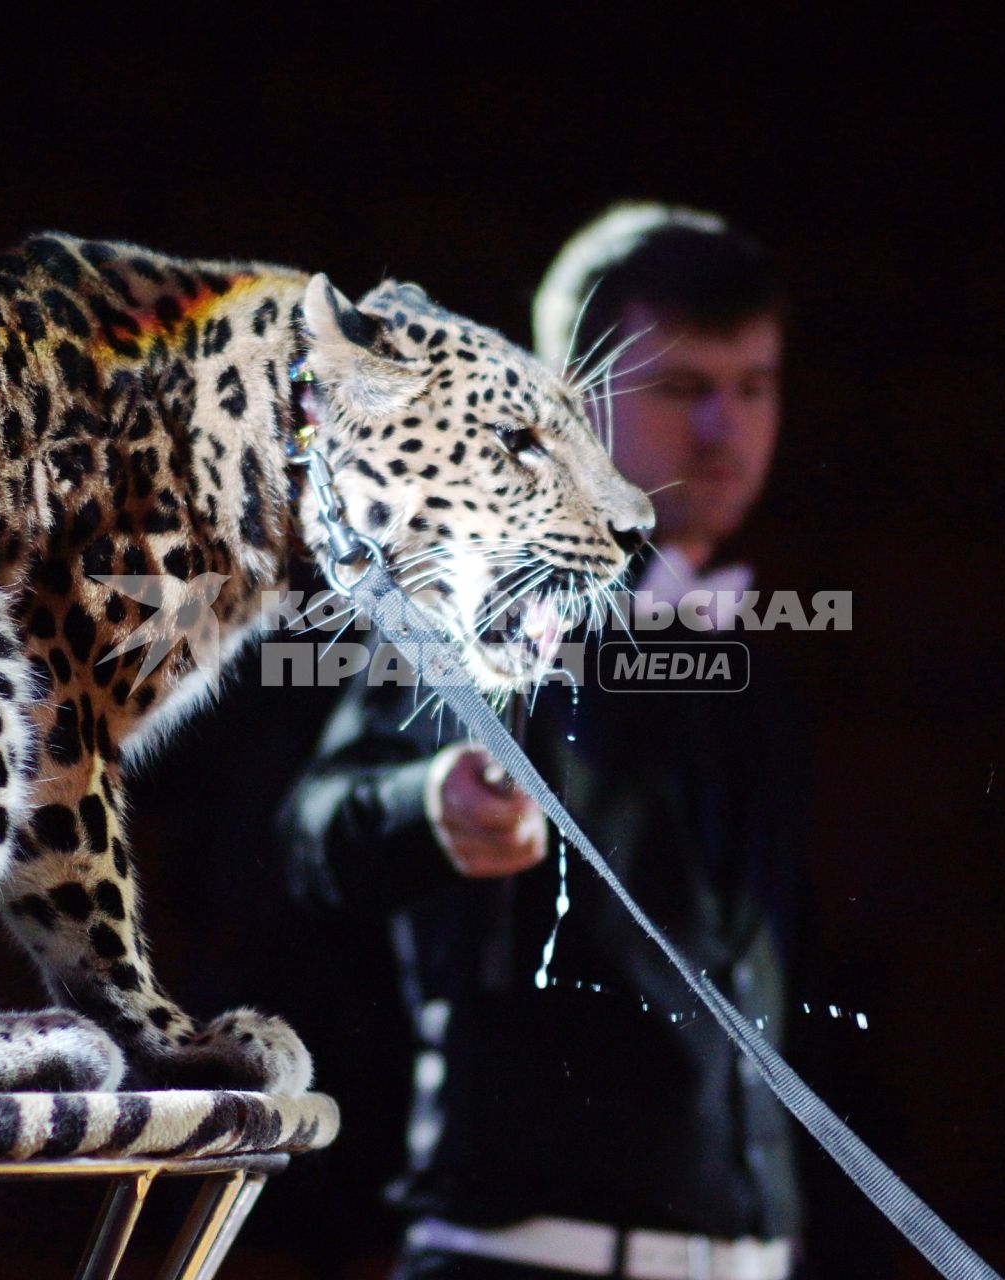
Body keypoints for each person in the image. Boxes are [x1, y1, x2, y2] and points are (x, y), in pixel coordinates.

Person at [283, 204, 815, 1280]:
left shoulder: (757, 644)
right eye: (681, 388)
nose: (723, 430)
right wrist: (431, 799)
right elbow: (312, 830)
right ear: (574, 396)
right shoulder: (480, 594)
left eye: (750, 387)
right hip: (522, 1256)